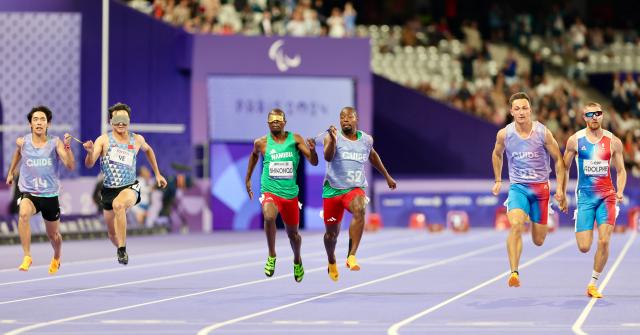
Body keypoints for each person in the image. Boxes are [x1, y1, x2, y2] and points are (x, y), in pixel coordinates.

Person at [491, 92, 567, 287]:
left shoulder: (543, 133)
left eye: (524, 108)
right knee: (516, 225)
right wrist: (498, 179)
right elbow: (496, 154)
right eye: (517, 109)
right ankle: (514, 272)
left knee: (539, 240)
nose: (521, 112)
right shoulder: (505, 134)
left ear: (530, 109)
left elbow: (559, 160)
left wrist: (560, 188)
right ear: (511, 112)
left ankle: (534, 219)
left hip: (541, 189)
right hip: (518, 188)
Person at [83, 103, 167, 265]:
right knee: (112, 234)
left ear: (128, 120)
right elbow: (89, 163)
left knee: (119, 205)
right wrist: (89, 153)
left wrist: (157, 173)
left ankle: (122, 249)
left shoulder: (136, 139)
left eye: (124, 119)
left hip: (129, 187)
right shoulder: (103, 140)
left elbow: (148, 150)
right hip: (108, 191)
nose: (121, 123)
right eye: (117, 119)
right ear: (111, 121)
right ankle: (119, 246)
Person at [322, 107, 396, 281]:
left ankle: (351, 256)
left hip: (354, 188)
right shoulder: (332, 137)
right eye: (342, 117)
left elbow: (372, 155)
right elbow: (327, 157)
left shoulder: (366, 140)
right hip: (332, 190)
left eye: (349, 117)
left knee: (360, 208)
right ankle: (331, 260)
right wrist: (333, 140)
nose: (345, 120)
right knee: (331, 235)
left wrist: (387, 176)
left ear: (356, 119)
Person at [245, 109, 318, 283]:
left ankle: (297, 260)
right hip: (270, 191)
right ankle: (272, 255)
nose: (275, 122)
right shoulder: (261, 143)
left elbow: (314, 162)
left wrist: (313, 151)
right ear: (268, 123)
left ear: (285, 122)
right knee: (269, 216)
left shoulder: (296, 139)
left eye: (279, 120)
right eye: (272, 120)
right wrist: (248, 178)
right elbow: (254, 157)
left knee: (293, 235)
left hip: (290, 195)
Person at [562, 102, 626, 298]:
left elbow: (621, 170)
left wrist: (620, 191)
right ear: (584, 118)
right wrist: (562, 193)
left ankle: (593, 283)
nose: (594, 117)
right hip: (585, 198)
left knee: (604, 240)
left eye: (597, 113)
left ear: (602, 115)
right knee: (584, 247)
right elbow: (564, 168)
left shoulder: (613, 141)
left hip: (607, 196)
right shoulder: (575, 140)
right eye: (590, 114)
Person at [5, 106, 75, 274]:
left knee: (53, 235)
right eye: (35, 119)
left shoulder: (55, 142)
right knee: (23, 214)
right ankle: (27, 256)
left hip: (50, 195)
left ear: (48, 124)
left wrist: (67, 147)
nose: (38, 122)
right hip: (30, 192)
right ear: (30, 124)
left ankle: (57, 256)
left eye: (42, 119)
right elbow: (18, 153)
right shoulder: (23, 142)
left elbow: (70, 165)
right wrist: (10, 173)